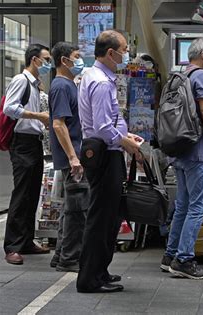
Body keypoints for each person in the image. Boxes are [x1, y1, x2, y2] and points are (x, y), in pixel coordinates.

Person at [77, 30, 141, 293]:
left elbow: (107, 122)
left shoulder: (97, 77)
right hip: (104, 153)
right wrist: (125, 142)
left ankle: (100, 271)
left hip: (106, 149)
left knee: (110, 216)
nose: (127, 55)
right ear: (111, 53)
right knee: (101, 217)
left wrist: (124, 135)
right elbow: (103, 127)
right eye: (124, 50)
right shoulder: (101, 82)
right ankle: (89, 279)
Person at [160, 38, 203, 279]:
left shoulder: (181, 76)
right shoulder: (202, 76)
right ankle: (184, 260)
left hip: (180, 149)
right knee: (199, 206)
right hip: (197, 152)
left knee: (183, 206)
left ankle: (170, 255)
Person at [3, 44, 51, 265]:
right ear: (34, 60)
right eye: (46, 59)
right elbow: (9, 108)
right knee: (22, 193)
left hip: (34, 142)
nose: (48, 64)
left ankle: (26, 241)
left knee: (32, 193)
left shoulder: (34, 84)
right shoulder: (20, 81)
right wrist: (38, 116)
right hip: (21, 143)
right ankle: (12, 246)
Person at [48, 41, 88, 273]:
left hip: (74, 155)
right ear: (64, 60)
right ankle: (70, 259)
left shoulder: (69, 84)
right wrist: (73, 157)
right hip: (73, 158)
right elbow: (58, 124)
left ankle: (61, 254)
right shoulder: (61, 86)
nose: (79, 60)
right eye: (76, 56)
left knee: (70, 208)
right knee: (76, 209)